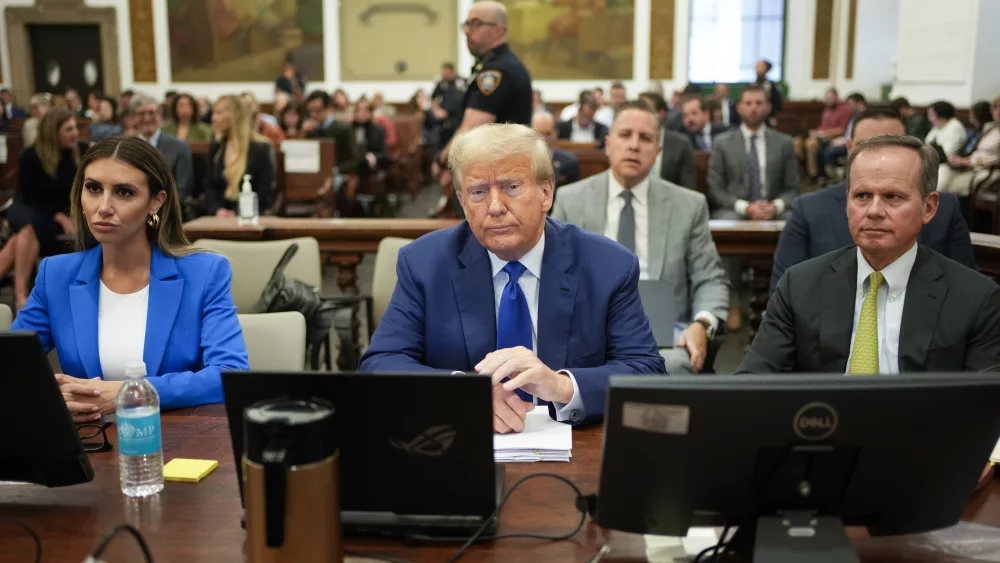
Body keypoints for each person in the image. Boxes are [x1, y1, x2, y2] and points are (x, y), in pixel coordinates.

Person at [359, 123, 664, 430]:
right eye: (478, 192)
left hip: (572, 446)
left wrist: (562, 386)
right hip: (458, 444)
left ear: (546, 193)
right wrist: (462, 394)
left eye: (511, 187)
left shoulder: (607, 266)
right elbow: (379, 364)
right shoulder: (425, 263)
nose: (495, 207)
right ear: (463, 203)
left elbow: (647, 373)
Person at [11, 137, 249, 417]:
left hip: (178, 444)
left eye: (124, 192)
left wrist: (130, 394)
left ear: (155, 202)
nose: (103, 206)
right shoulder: (56, 275)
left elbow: (228, 375)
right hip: (89, 443)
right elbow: (11, 365)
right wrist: (52, 394)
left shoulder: (205, 272)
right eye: (93, 188)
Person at [738, 134, 1000, 374]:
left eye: (892, 197)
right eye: (862, 196)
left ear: (928, 208)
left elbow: (985, 408)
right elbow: (755, 382)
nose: (874, 210)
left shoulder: (976, 299)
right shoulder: (799, 285)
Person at [551, 102, 729, 374]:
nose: (634, 145)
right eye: (625, 135)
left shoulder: (688, 205)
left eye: (645, 138)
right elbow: (554, 274)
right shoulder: (570, 199)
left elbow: (710, 277)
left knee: (676, 365)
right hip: (588, 334)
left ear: (658, 151)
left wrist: (702, 324)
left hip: (663, 338)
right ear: (608, 144)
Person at [771, 106, 976, 294]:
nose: (880, 158)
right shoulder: (809, 209)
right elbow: (783, 297)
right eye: (866, 147)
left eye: (891, 147)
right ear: (850, 148)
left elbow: (967, 293)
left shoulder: (945, 209)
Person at [431, 0, 533, 217]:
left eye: (476, 24)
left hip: (494, 179)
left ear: (498, 29)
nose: (468, 31)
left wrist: (442, 162)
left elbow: (471, 130)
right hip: (503, 177)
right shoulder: (500, 65)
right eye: (466, 24)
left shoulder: (497, 71)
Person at [709, 86, 799, 330]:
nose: (753, 107)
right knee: (723, 225)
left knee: (796, 223)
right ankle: (733, 302)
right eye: (748, 103)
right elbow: (715, 189)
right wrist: (746, 208)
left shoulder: (784, 142)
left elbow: (793, 187)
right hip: (735, 209)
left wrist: (775, 205)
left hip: (774, 208)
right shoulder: (722, 142)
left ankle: (781, 301)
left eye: (759, 103)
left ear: (768, 107)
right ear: (739, 108)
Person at [0, 109, 87, 309]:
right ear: (53, 133)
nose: (76, 133)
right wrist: (59, 216)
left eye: (76, 128)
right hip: (29, 207)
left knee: (19, 239)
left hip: (58, 213)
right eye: (69, 129)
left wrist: (66, 215)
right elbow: (30, 196)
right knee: (28, 227)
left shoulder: (80, 151)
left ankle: (20, 296)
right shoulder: (30, 156)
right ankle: (22, 295)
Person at [203, 95, 274, 217]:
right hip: (218, 217)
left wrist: (237, 213)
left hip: (251, 216)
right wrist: (217, 210)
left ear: (236, 116)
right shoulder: (216, 146)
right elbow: (209, 186)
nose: (213, 118)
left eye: (219, 113)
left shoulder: (261, 148)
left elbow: (264, 192)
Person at [129, 94, 195, 200]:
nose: (147, 118)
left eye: (151, 113)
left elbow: (182, 189)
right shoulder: (124, 147)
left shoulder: (179, 147)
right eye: (141, 114)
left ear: (160, 115)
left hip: (166, 209)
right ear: (132, 118)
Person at [939, 98, 999, 197]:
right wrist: (963, 160)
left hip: (990, 171)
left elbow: (994, 160)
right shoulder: (990, 128)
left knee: (950, 186)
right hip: (974, 166)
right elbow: (978, 152)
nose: (997, 111)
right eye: (995, 108)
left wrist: (969, 162)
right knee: (943, 174)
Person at [531, 111, 580, 193]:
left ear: (556, 133)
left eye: (548, 133)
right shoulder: (521, 160)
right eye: (539, 133)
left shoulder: (570, 163)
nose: (543, 139)